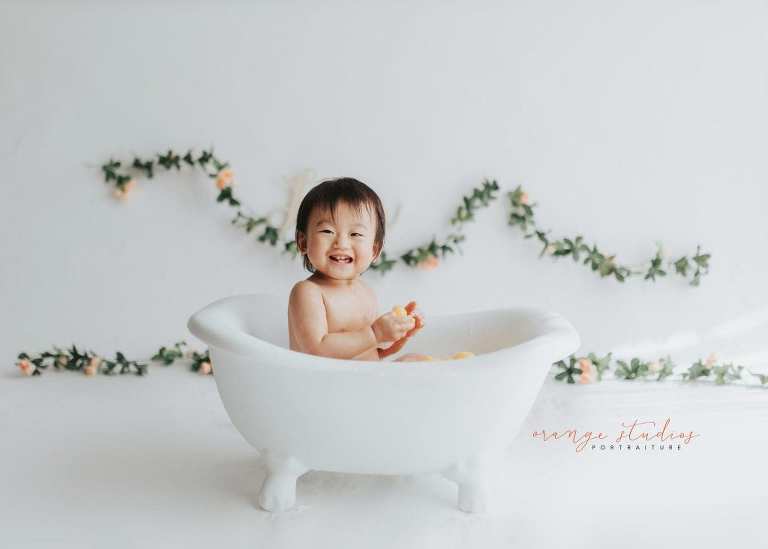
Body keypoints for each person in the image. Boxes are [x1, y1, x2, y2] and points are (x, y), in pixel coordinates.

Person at [288, 177, 431, 361]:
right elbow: (315, 349)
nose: (341, 243)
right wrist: (375, 334)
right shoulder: (308, 292)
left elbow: (374, 353)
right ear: (303, 242)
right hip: (324, 379)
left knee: (413, 359)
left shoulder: (366, 292)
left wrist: (399, 334)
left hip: (365, 376)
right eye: (327, 231)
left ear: (374, 250)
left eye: (355, 234)